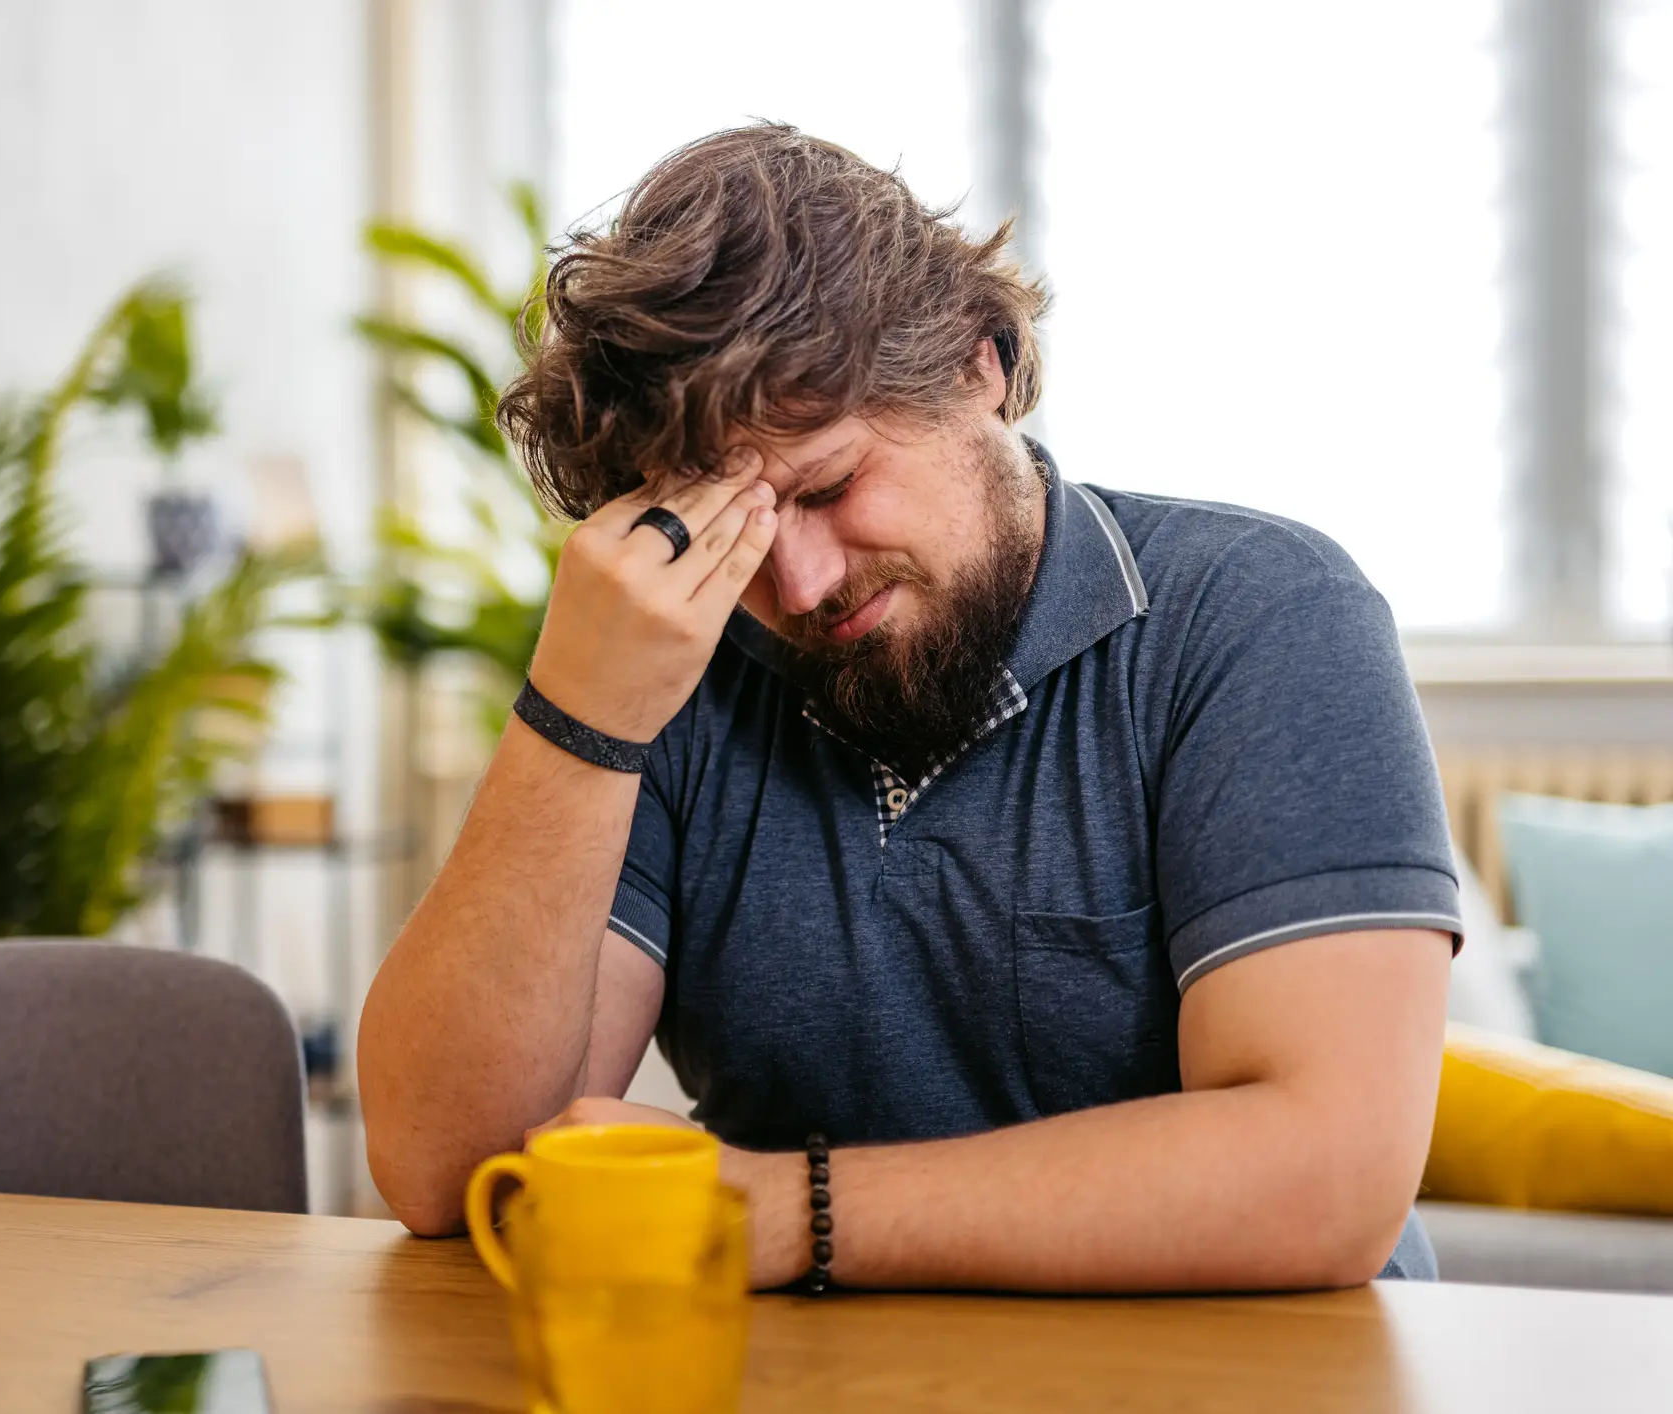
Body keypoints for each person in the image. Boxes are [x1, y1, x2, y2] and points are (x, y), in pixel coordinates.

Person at [358, 124, 1460, 1292]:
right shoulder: (676, 670)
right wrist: (577, 713)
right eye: (727, 528)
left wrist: (787, 1211)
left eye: (828, 487)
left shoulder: (1257, 614)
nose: (797, 584)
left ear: (976, 365)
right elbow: (443, 1171)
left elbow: (1324, 1174)